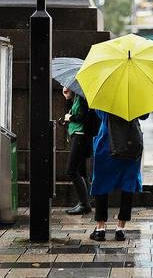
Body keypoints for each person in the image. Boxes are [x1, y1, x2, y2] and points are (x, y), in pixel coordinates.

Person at [89, 111, 148, 242]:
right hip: (130, 143)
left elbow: (100, 114)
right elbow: (144, 115)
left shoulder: (105, 94)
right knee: (128, 184)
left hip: (107, 142)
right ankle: (120, 228)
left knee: (101, 183)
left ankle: (100, 229)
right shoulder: (136, 93)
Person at [62, 87, 92, 215]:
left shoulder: (85, 97)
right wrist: (68, 98)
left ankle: (85, 204)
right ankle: (84, 203)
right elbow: (68, 114)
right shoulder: (78, 97)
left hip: (81, 136)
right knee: (80, 171)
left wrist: (71, 118)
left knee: (71, 170)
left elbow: (85, 117)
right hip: (76, 135)